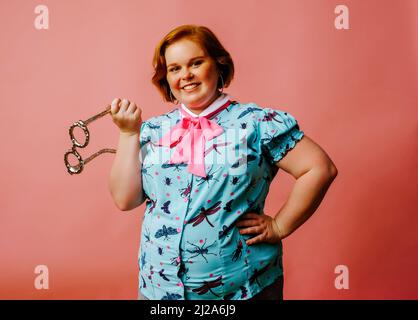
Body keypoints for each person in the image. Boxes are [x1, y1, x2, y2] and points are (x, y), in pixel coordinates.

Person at [108, 25, 338, 300]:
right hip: (159, 290)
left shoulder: (256, 122)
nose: (186, 75)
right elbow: (125, 199)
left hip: (244, 288)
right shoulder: (152, 131)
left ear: (218, 65)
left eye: (196, 63)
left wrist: (279, 226)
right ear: (165, 77)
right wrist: (128, 133)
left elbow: (319, 168)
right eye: (175, 68)